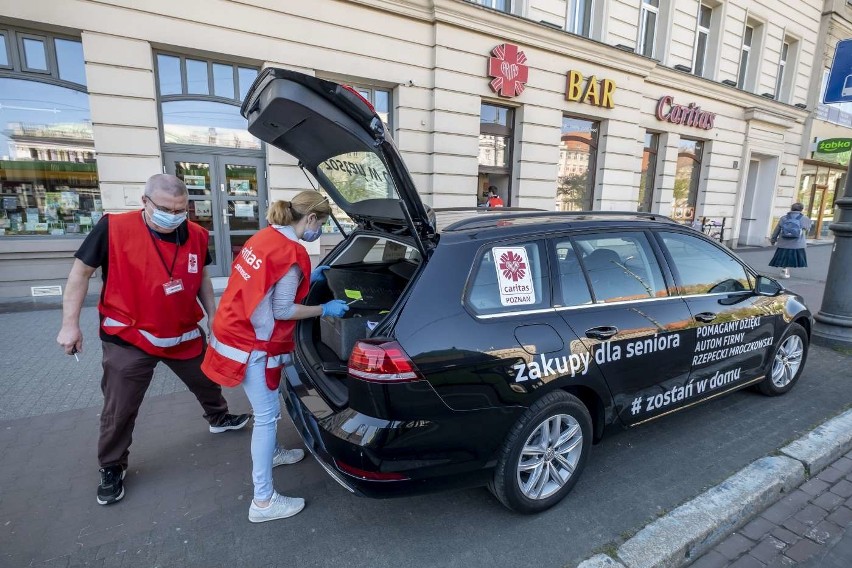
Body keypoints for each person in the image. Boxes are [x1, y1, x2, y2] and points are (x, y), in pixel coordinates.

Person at [56, 174, 251, 506]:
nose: (173, 217)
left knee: (206, 379)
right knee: (120, 407)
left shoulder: (198, 235)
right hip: (129, 335)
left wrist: (214, 315)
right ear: (144, 202)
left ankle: (218, 417)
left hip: (182, 332)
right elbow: (80, 273)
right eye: (165, 209)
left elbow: (202, 275)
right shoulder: (113, 228)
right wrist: (69, 325)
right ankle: (112, 466)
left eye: (180, 210)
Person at [201, 191, 349, 523]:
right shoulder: (291, 252)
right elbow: (283, 309)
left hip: (234, 329)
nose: (320, 231)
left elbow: (265, 283)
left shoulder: (266, 237)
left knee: (265, 411)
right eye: (321, 224)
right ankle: (264, 502)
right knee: (265, 416)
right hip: (253, 344)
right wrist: (324, 307)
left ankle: (276, 454)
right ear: (310, 219)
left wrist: (307, 279)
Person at [769, 202, 812, 279]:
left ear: (791, 209)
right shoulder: (805, 218)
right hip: (797, 243)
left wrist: (773, 239)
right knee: (793, 258)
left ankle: (785, 269)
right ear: (801, 209)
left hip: (783, 242)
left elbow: (777, 229)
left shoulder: (783, 218)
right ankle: (786, 270)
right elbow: (808, 229)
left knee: (784, 257)